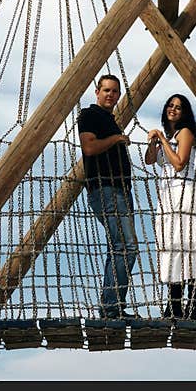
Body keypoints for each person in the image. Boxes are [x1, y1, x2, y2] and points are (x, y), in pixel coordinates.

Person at [145, 94, 196, 320]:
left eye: (178, 107)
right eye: (170, 105)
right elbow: (149, 160)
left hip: (185, 195)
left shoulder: (185, 133)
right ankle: (174, 305)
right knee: (172, 246)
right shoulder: (171, 135)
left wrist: (164, 141)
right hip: (168, 197)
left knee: (193, 247)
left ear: (185, 113)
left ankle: (193, 308)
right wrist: (155, 140)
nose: (173, 109)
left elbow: (178, 163)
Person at [78, 74, 139, 319]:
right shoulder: (89, 115)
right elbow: (89, 147)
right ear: (97, 91)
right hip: (106, 189)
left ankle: (111, 305)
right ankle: (111, 307)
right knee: (126, 247)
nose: (110, 95)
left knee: (120, 247)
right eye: (106, 90)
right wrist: (116, 139)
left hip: (119, 190)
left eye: (114, 91)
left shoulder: (109, 119)